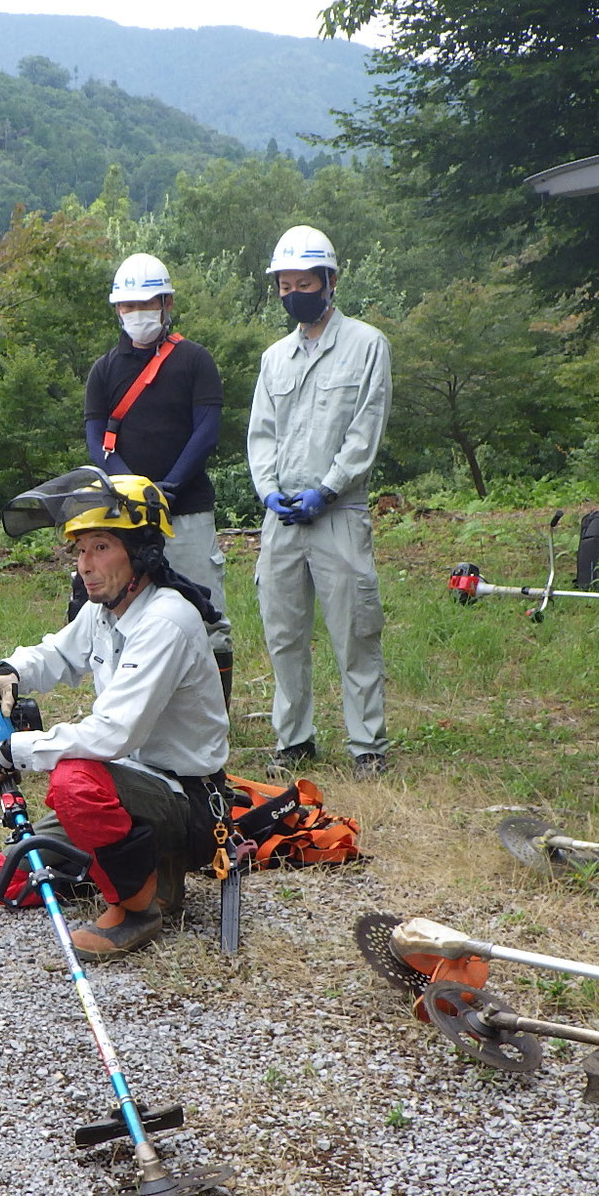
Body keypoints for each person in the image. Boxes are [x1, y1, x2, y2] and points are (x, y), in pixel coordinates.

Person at [0, 470, 228, 962]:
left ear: (142, 550)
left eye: (100, 547)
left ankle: (138, 907)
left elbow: (113, 734)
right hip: (130, 782)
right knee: (11, 874)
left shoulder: (165, 620)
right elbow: (57, 654)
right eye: (80, 549)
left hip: (180, 798)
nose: (85, 564)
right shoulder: (106, 608)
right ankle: (126, 866)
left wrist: (11, 749)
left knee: (74, 783)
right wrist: (9, 670)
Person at [246, 224, 392, 780]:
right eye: (284, 286)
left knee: (354, 630)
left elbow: (365, 429)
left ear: (330, 280)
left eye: (303, 282)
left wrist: (327, 489)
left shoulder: (366, 345)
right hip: (281, 519)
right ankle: (295, 738)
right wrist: (269, 493)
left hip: (339, 512)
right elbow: (261, 435)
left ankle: (367, 744)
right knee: (283, 634)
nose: (293, 294)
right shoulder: (274, 358)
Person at [84, 254, 230, 701]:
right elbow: (97, 436)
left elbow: (206, 429)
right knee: (128, 610)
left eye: (147, 303)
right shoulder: (104, 369)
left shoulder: (194, 360)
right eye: (128, 306)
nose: (137, 313)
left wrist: (168, 486)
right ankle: (131, 709)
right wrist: (134, 490)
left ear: (166, 303)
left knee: (206, 614)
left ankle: (213, 716)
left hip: (186, 510)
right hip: (126, 517)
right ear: (117, 310)